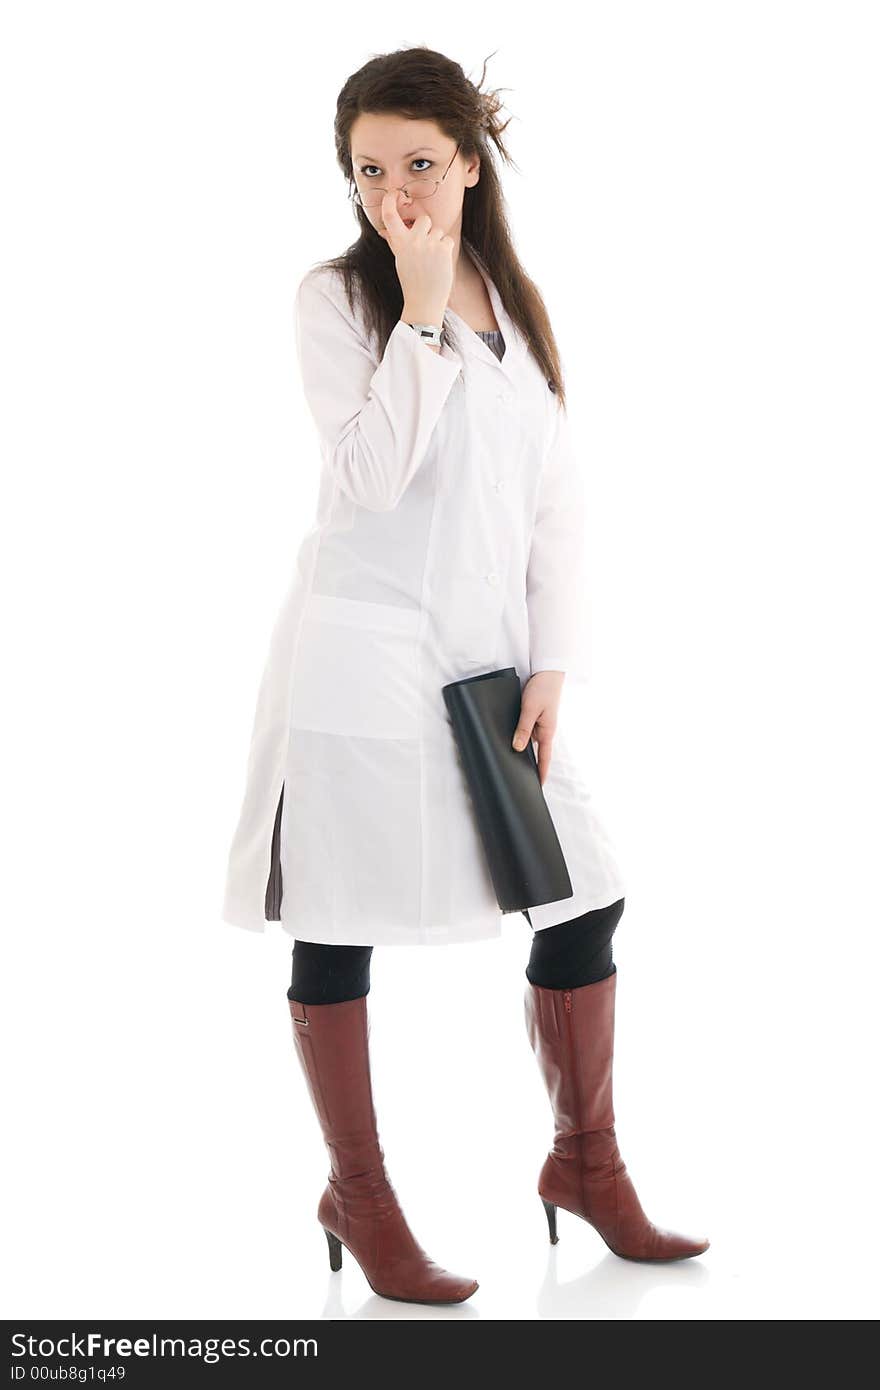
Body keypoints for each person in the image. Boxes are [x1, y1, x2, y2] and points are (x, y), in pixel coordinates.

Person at [221, 47, 709, 1306]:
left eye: (419, 166)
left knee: (583, 895)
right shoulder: (337, 301)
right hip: (363, 657)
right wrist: (420, 312)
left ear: (469, 161)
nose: (395, 196)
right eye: (368, 171)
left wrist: (555, 660)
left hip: (488, 668)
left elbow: (555, 498)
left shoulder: (519, 298)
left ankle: (586, 1165)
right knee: (337, 924)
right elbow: (369, 480)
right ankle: (360, 1196)